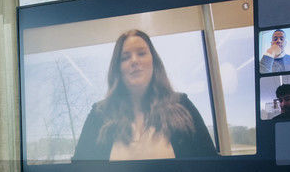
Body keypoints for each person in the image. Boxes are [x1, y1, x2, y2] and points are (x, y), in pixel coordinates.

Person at [72, 29, 216, 161]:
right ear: (118, 69)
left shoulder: (182, 106)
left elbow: (211, 166)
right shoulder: (99, 114)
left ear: (154, 61)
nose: (134, 61)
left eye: (141, 53)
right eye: (125, 58)